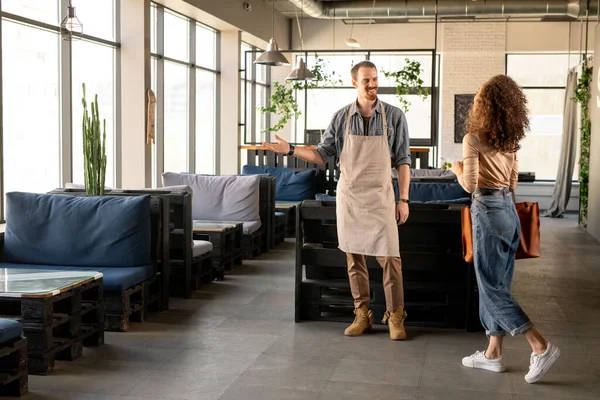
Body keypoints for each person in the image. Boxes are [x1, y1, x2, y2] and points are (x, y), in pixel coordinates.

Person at [262, 60, 411, 340]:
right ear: (354, 83)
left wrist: (403, 199)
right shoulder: (341, 117)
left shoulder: (394, 116)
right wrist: (291, 149)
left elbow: (403, 160)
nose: (372, 84)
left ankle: (396, 316)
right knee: (354, 258)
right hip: (351, 196)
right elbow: (322, 154)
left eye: (375, 79)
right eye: (366, 80)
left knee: (391, 258)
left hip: (381, 197)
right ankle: (362, 314)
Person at [451, 74, 560, 383]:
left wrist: (458, 168)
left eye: (479, 97)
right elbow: (511, 183)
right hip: (509, 212)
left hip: (486, 210)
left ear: (486, 105)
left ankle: (540, 346)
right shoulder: (510, 141)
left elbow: (470, 185)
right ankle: (493, 353)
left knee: (491, 287)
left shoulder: (473, 139)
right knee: (498, 284)